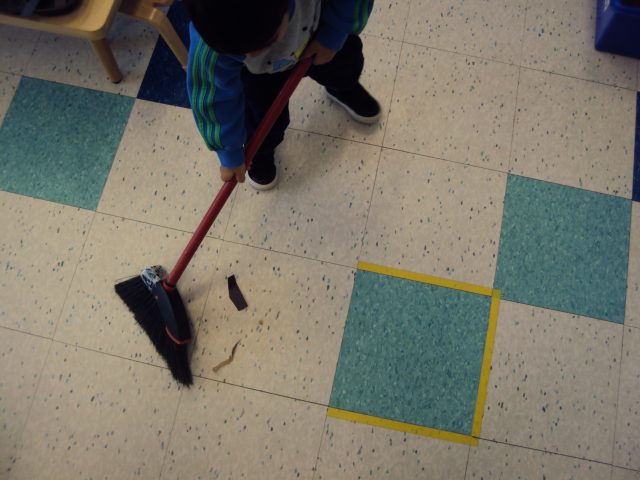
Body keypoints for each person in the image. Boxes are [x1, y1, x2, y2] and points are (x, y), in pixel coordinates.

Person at [182, 0, 379, 190]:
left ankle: (342, 88)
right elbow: (213, 97)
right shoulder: (210, 36)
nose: (250, 55)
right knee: (263, 121)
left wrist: (334, 34)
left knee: (345, 68)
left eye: (266, 42)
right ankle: (261, 150)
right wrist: (229, 153)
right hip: (260, 74)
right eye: (240, 52)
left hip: (318, 30)